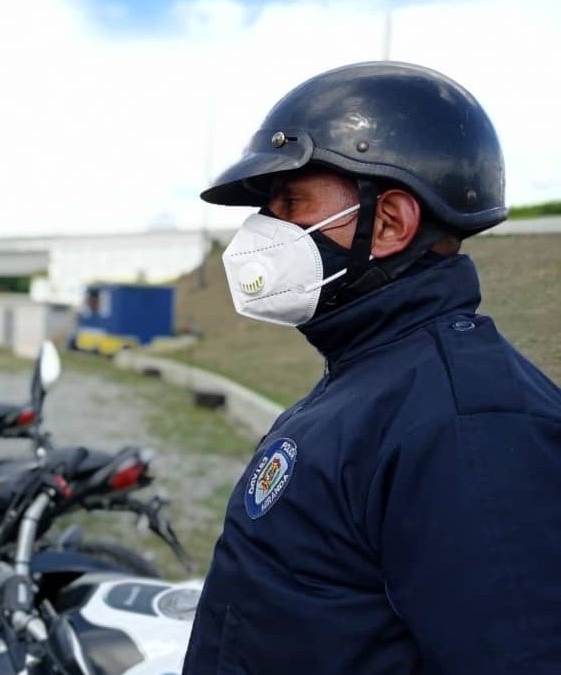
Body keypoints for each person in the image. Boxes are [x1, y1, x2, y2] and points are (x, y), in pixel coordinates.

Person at [183, 62, 561, 675]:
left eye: (289, 203)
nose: (263, 231)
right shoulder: (368, 375)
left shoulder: (472, 427)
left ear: (389, 223)